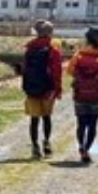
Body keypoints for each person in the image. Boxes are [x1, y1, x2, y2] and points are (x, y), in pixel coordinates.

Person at [66, 27, 98, 164]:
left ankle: (81, 146)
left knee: (81, 123)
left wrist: (79, 77)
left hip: (80, 95)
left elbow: (69, 71)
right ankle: (87, 149)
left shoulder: (78, 56)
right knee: (93, 124)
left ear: (86, 39)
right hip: (96, 96)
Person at [20, 19, 63, 160]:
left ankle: (34, 146)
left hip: (31, 88)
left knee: (34, 119)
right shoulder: (52, 49)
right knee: (46, 117)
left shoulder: (29, 47)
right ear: (50, 33)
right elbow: (57, 71)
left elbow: (25, 69)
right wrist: (57, 89)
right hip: (48, 89)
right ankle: (46, 142)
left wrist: (26, 85)